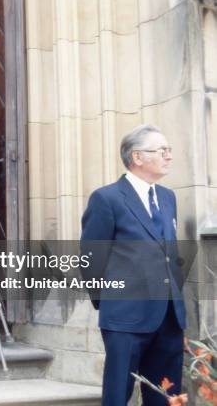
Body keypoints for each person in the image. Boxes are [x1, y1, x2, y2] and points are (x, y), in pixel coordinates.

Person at [80, 125, 185, 405]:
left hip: (169, 316)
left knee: (165, 396)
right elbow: (91, 260)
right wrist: (112, 303)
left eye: (168, 150)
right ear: (137, 157)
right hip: (125, 319)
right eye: (162, 150)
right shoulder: (107, 198)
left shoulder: (167, 197)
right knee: (118, 395)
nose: (168, 156)